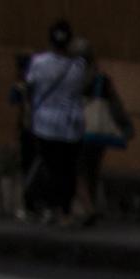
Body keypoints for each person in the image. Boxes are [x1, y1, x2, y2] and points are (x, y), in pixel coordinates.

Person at [12, 20, 90, 224]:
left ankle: (51, 208)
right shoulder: (78, 67)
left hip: (45, 124)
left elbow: (28, 87)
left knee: (51, 167)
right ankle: (66, 211)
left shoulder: (39, 63)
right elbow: (83, 87)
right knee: (69, 169)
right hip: (71, 124)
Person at [69, 39, 134, 226]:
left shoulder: (71, 80)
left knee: (76, 169)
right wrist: (126, 126)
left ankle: (88, 208)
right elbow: (116, 106)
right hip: (99, 132)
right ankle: (93, 204)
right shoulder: (102, 80)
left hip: (78, 130)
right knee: (93, 169)